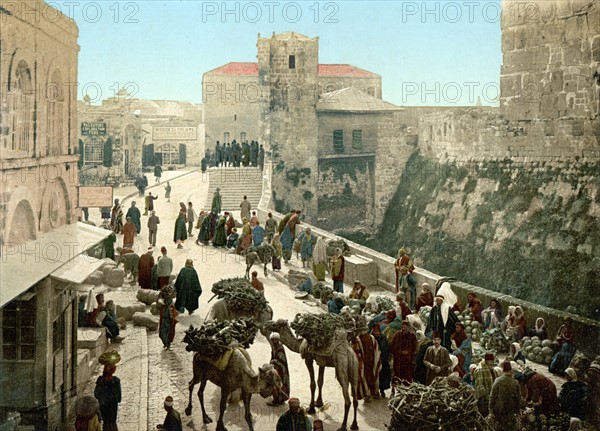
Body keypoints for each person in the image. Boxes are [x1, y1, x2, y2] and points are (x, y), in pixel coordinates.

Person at [489, 361, 521, 431]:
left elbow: (492, 396)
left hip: (499, 410)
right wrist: (518, 411)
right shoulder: (515, 382)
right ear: (511, 371)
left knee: (499, 427)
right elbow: (518, 398)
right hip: (510, 410)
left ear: (503, 370)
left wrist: (490, 410)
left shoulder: (497, 381)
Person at [94, 363, 121, 431]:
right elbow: (119, 395)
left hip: (105, 405)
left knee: (106, 423)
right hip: (111, 406)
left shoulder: (101, 380)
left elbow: (96, 394)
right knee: (111, 422)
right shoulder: (115, 380)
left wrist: (102, 399)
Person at [390, 320, 417, 384]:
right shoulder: (397, 335)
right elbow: (392, 346)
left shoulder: (412, 336)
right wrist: (399, 352)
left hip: (408, 359)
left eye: (405, 327)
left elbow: (414, 347)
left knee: (407, 376)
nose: (404, 328)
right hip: (398, 359)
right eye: (402, 327)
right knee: (398, 375)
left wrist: (409, 352)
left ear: (408, 327)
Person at [268, 332, 290, 406]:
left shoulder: (280, 348)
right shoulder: (275, 347)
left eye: (276, 340)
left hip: (281, 369)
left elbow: (282, 360)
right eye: (273, 340)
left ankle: (278, 400)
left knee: (279, 383)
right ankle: (277, 399)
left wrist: (274, 362)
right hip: (276, 367)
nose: (274, 341)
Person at [474, 353, 497, 417]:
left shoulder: (490, 368)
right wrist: (487, 397)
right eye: (492, 361)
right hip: (485, 399)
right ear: (487, 360)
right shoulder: (480, 369)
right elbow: (479, 386)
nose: (493, 362)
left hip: (491, 397)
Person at [372, 324, 391, 397]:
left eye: (378, 331)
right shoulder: (371, 338)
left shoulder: (383, 337)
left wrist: (385, 357)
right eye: (375, 331)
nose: (377, 333)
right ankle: (374, 391)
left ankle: (382, 390)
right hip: (374, 361)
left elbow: (387, 347)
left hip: (383, 360)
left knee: (383, 376)